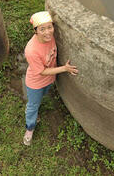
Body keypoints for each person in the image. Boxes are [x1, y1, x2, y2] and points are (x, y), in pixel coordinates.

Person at [23, 11, 78, 146]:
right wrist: (65, 69)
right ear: (35, 31)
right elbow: (41, 71)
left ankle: (36, 107)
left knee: (42, 97)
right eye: (42, 29)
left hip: (50, 79)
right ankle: (30, 128)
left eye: (50, 27)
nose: (48, 32)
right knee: (33, 106)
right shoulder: (31, 50)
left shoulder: (51, 37)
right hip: (36, 83)